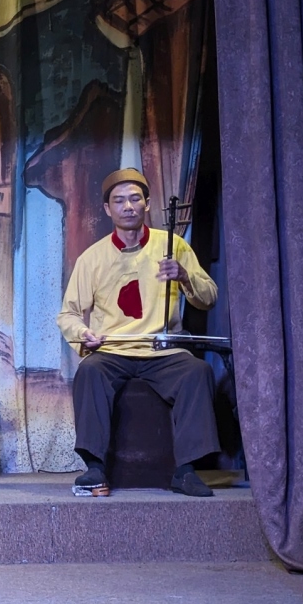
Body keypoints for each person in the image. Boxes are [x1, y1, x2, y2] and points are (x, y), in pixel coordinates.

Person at [57, 168, 220, 497]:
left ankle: (186, 470)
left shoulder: (172, 246)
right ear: (108, 209)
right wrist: (84, 333)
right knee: (90, 371)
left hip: (162, 350)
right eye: (119, 201)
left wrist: (185, 276)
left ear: (147, 203)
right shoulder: (92, 257)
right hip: (113, 351)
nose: (128, 206)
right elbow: (68, 314)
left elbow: (209, 297)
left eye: (135, 199)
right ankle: (95, 468)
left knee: (197, 372)